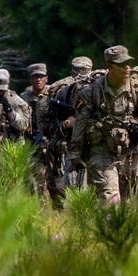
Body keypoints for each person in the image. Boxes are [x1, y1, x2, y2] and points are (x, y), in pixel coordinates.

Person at [67, 46, 138, 202]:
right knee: (110, 198)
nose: (127, 68)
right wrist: (75, 153)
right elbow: (80, 123)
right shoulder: (91, 92)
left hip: (130, 151)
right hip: (101, 149)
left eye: (128, 63)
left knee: (126, 200)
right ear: (110, 67)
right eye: (122, 64)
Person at [47, 56, 94, 188]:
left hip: (96, 145)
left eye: (84, 71)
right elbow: (54, 122)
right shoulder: (64, 93)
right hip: (72, 145)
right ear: (72, 74)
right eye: (77, 72)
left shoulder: (98, 92)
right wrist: (63, 130)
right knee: (74, 187)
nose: (81, 75)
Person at [22, 62, 63, 204]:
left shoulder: (55, 95)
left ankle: (59, 211)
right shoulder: (24, 99)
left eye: (41, 77)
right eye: (35, 77)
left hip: (53, 144)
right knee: (35, 182)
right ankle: (39, 211)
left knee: (56, 181)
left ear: (46, 78)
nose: (38, 80)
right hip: (33, 145)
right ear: (30, 80)